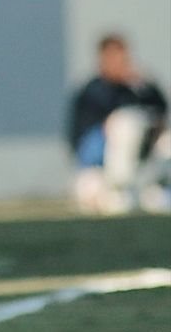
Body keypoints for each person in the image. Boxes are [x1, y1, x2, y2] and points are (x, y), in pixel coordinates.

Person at [68, 33, 170, 214]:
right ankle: (119, 188)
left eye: (123, 57)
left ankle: (157, 186)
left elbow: (160, 110)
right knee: (124, 123)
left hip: (142, 170)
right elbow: (85, 144)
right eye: (114, 57)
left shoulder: (137, 88)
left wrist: (144, 86)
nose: (121, 62)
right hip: (99, 171)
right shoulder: (93, 90)